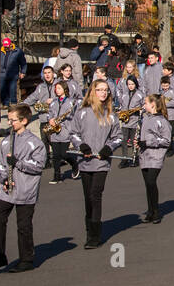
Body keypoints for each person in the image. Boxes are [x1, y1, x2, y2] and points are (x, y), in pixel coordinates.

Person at [0, 103, 48, 272]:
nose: (10, 123)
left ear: (24, 120)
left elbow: (39, 165)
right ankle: (0, 256)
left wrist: (19, 163)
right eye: (9, 119)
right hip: (8, 189)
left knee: (23, 225)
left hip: (26, 190)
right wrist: (4, 177)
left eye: (13, 120)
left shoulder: (35, 143)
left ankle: (26, 259)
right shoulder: (6, 141)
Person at [68, 79, 124, 249]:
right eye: (100, 90)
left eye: (106, 90)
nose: (103, 93)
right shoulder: (82, 112)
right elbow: (73, 133)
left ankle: (95, 235)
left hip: (101, 162)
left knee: (95, 194)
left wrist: (109, 147)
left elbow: (118, 137)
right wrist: (81, 145)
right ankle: (89, 230)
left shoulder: (111, 115)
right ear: (93, 91)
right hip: (85, 161)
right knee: (88, 198)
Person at [136, 94, 171, 224]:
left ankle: (156, 212)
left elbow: (166, 141)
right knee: (147, 185)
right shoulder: (145, 118)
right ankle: (150, 211)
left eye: (145, 103)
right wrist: (139, 142)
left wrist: (149, 142)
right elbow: (143, 137)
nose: (144, 105)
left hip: (156, 156)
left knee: (151, 182)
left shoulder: (162, 121)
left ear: (153, 105)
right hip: (144, 155)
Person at [45, 79, 78, 183]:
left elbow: (74, 115)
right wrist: (50, 119)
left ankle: (74, 164)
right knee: (55, 155)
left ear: (64, 89)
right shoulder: (54, 102)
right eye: (56, 88)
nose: (57, 90)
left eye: (59, 88)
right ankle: (57, 176)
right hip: (54, 131)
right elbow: (50, 113)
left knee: (64, 154)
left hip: (65, 130)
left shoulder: (70, 101)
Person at [118, 75, 145, 168]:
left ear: (136, 84)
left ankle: (134, 158)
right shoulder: (124, 94)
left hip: (135, 121)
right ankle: (124, 159)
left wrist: (139, 111)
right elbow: (122, 105)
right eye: (129, 84)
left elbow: (144, 107)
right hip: (125, 121)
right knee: (124, 140)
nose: (130, 86)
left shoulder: (140, 94)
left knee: (134, 141)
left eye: (132, 84)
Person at [0, 37, 26, 108]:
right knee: (2, 88)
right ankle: (5, 103)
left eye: (7, 46)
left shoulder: (17, 51)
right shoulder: (0, 51)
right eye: (5, 46)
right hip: (2, 73)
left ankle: (13, 102)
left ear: (10, 44)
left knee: (12, 88)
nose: (6, 48)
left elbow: (23, 63)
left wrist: (23, 72)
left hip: (13, 73)